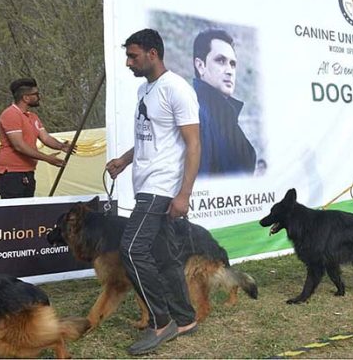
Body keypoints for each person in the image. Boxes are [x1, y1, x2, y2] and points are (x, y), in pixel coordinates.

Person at [106, 29, 200, 355]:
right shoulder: (144, 90)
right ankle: (186, 319)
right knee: (164, 257)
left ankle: (162, 321)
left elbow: (193, 143)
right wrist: (124, 160)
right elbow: (150, 137)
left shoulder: (177, 89)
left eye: (133, 56)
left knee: (131, 249)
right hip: (145, 182)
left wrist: (184, 194)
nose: (128, 62)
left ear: (153, 54)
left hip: (162, 187)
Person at [192, 28, 256, 175]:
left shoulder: (224, 116)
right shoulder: (197, 115)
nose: (229, 70)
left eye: (233, 64)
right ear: (200, 66)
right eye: (220, 61)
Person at [0, 78, 71, 199]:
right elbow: (19, 146)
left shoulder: (33, 117)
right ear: (25, 97)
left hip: (28, 171)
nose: (39, 97)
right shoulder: (11, 114)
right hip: (12, 173)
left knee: (27, 212)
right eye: (35, 94)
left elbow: (45, 138)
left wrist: (62, 146)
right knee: (15, 213)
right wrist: (47, 158)